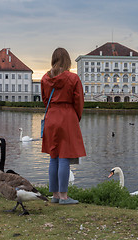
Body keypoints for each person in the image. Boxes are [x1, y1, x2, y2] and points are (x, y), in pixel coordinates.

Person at [41, 47, 86, 205]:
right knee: (64, 157)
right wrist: (75, 117)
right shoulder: (73, 78)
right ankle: (64, 196)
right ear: (67, 60)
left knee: (53, 157)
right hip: (67, 117)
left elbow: (45, 100)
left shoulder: (45, 78)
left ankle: (55, 195)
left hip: (51, 117)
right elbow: (79, 102)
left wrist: (53, 110)